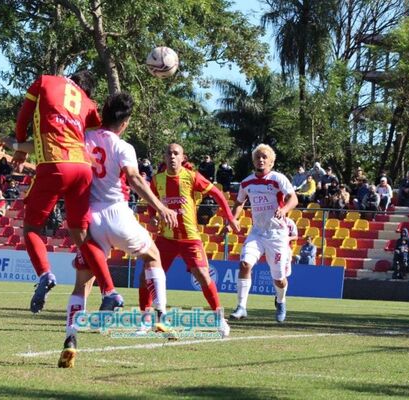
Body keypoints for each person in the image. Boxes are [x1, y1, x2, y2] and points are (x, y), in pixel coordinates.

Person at [58, 92, 178, 368]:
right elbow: (134, 178)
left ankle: (70, 339)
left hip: (91, 219)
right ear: (124, 123)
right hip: (117, 213)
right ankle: (160, 314)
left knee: (82, 284)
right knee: (153, 256)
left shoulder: (84, 139)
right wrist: (160, 207)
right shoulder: (124, 147)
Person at [9, 70, 120, 315]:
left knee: (31, 229)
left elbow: (24, 116)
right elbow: (99, 137)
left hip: (54, 166)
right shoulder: (89, 104)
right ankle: (110, 291)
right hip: (83, 169)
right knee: (81, 237)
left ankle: (45, 274)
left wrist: (19, 146)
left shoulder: (45, 80)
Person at [138, 143, 240, 334]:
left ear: (183, 157)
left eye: (176, 153)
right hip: (166, 238)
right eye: (169, 153)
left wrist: (230, 217)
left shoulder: (191, 176)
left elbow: (217, 193)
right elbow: (152, 201)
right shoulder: (157, 179)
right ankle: (145, 321)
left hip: (190, 238)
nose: (172, 156)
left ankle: (219, 319)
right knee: (145, 277)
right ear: (164, 157)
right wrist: (152, 216)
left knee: (202, 275)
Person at [228, 144, 298, 323]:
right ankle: (241, 307)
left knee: (279, 279)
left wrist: (284, 210)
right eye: (258, 157)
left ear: (271, 162)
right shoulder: (246, 182)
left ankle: (281, 301)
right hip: (257, 233)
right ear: (253, 160)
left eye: (265, 157)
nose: (261, 160)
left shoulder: (278, 179)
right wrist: (233, 219)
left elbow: (293, 198)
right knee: (244, 264)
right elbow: (239, 203)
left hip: (277, 235)